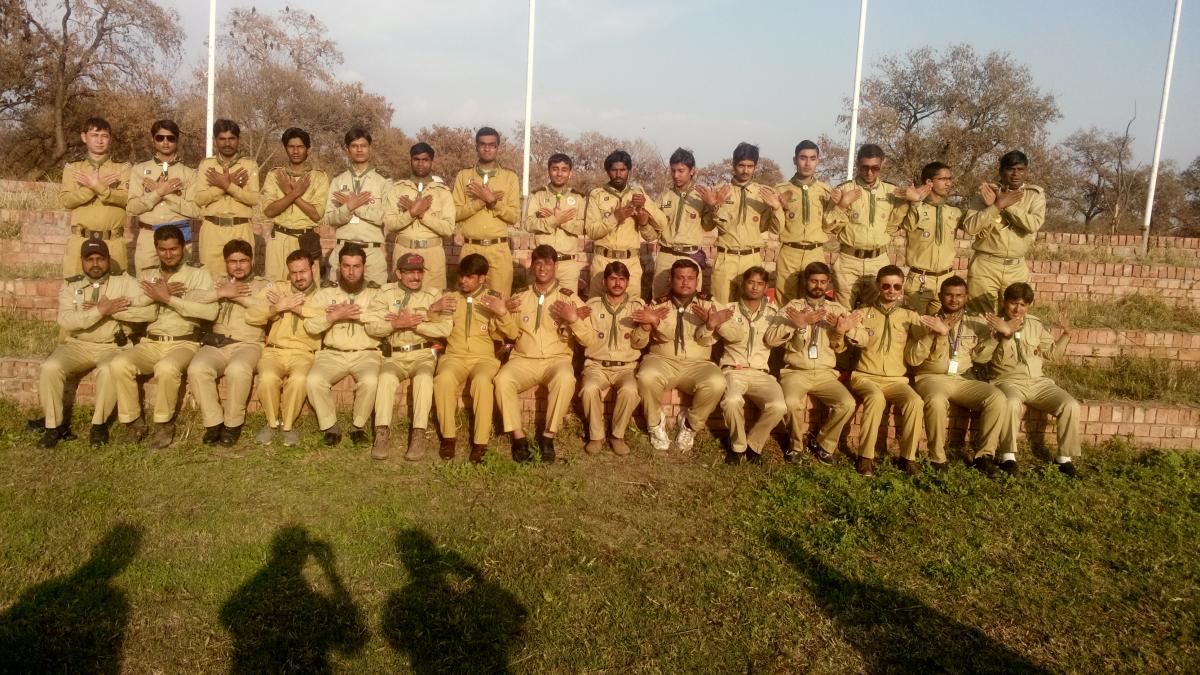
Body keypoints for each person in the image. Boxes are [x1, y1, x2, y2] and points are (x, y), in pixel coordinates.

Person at [94, 225, 217, 449]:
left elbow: (209, 312)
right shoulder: (148, 275)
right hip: (151, 341)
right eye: (163, 249)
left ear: (183, 247)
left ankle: (164, 424)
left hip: (184, 341)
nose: (169, 254)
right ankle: (133, 422)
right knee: (120, 363)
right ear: (156, 249)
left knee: (167, 368)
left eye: (174, 249)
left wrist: (170, 300)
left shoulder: (198, 273)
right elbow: (138, 309)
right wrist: (160, 295)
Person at [39, 240, 150, 448]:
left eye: (100, 259)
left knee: (108, 370)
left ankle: (98, 426)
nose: (95, 264)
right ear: (82, 261)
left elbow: (147, 312)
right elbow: (66, 320)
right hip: (78, 345)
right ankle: (53, 427)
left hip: (113, 345)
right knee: (49, 367)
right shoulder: (71, 286)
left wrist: (114, 310)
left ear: (108, 260)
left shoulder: (125, 282)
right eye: (90, 260)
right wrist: (99, 311)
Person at [495, 245, 594, 463]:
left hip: (556, 360)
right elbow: (510, 333)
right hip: (524, 359)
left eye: (547, 263)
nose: (542, 268)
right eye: (538, 263)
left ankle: (548, 437)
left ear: (555, 266)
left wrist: (573, 319)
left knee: (566, 379)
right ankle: (519, 438)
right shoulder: (520, 296)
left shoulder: (569, 298)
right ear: (532, 266)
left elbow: (588, 339)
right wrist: (505, 313)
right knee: (502, 380)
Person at [981, 282, 1080, 477]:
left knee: (1071, 405)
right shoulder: (993, 322)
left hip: (1038, 382)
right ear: (1004, 302)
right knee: (1010, 403)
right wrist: (1002, 334)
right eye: (1013, 303)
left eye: (1023, 305)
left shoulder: (1034, 324)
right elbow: (983, 356)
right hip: (1007, 380)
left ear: (1029, 306)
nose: (1018, 309)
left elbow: (1052, 354)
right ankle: (1008, 456)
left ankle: (1064, 459)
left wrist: (1066, 335)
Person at [763, 262, 857, 465]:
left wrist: (840, 332)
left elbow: (839, 348)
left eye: (823, 282)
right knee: (790, 402)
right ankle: (795, 445)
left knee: (847, 403)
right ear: (806, 281)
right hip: (796, 372)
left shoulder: (836, 309)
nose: (818, 286)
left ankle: (823, 444)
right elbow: (771, 339)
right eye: (814, 281)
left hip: (825, 373)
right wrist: (797, 325)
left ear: (828, 284)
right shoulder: (792, 307)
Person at [431, 254, 519, 463]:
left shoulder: (493, 298)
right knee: (443, 379)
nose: (463, 281)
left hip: (484, 358)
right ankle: (448, 438)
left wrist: (502, 313)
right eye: (462, 276)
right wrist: (433, 309)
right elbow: (434, 326)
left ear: (482, 278)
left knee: (482, 382)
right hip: (455, 356)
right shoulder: (451, 297)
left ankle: (480, 443)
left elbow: (512, 333)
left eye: (470, 277)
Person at [632, 258, 727, 452]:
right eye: (680, 278)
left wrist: (711, 324)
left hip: (698, 363)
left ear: (697, 280)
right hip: (662, 361)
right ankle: (655, 424)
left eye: (690, 278)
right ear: (671, 279)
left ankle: (690, 425)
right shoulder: (658, 304)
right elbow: (637, 342)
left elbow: (713, 339)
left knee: (717, 382)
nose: (685, 282)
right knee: (646, 376)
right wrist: (647, 324)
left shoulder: (708, 304)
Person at [910, 276, 1004, 471]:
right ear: (940, 296)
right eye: (949, 295)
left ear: (966, 297)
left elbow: (981, 357)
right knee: (936, 400)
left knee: (996, 397)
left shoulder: (974, 322)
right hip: (932, 377)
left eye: (959, 296)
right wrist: (934, 333)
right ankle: (937, 458)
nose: (954, 300)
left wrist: (997, 337)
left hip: (961, 378)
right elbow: (914, 358)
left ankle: (984, 456)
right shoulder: (925, 320)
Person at [365, 253, 453, 461]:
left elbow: (445, 328)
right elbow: (372, 326)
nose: (415, 276)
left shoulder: (433, 295)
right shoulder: (385, 293)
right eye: (409, 272)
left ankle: (419, 434)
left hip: (422, 353)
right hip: (394, 355)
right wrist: (394, 325)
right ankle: (382, 433)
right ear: (398, 273)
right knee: (385, 378)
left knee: (424, 378)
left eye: (419, 271)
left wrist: (415, 324)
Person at [843, 265, 927, 477]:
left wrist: (933, 333)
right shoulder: (863, 313)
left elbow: (921, 344)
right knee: (876, 398)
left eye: (896, 286)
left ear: (902, 289)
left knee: (915, 401)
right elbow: (856, 339)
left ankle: (908, 458)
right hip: (865, 376)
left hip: (896, 380)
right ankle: (866, 458)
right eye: (886, 285)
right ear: (878, 287)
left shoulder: (909, 316)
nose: (891, 290)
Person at [187, 239, 271, 447]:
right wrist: (220, 293)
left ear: (251, 261)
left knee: (238, 368)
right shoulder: (218, 281)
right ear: (225, 263)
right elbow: (190, 297)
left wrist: (239, 297)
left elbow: (268, 309)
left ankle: (233, 424)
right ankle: (213, 422)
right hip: (217, 344)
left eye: (243, 261)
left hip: (248, 344)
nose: (238, 266)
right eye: (232, 261)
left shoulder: (263, 284)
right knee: (197, 368)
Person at [303, 244, 383, 447]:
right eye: (346, 266)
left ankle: (358, 427)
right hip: (332, 354)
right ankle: (330, 426)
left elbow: (383, 320)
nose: (351, 271)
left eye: (356, 266)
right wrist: (333, 316)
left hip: (366, 353)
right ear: (339, 266)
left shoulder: (376, 293)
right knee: (314, 380)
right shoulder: (325, 293)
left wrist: (357, 314)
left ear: (364, 267)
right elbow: (310, 325)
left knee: (371, 380)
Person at [710, 267, 787, 464]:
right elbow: (710, 339)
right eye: (751, 282)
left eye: (760, 284)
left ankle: (754, 445)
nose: (755, 287)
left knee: (778, 406)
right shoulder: (729, 310)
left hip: (761, 372)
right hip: (733, 370)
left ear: (766, 287)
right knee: (732, 401)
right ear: (743, 284)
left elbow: (777, 341)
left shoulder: (773, 313)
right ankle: (738, 447)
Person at [246, 250, 322, 446]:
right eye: (294, 273)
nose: (299, 277)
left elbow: (323, 317)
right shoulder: (278, 290)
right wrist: (277, 307)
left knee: (299, 380)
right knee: (267, 378)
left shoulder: (323, 294)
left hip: (304, 353)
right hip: (274, 349)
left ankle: (288, 426)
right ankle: (272, 423)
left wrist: (295, 308)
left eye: (303, 271)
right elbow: (252, 315)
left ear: (313, 268)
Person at [696, 142, 785, 303]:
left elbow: (776, 229)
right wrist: (715, 205)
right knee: (720, 307)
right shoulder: (720, 190)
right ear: (733, 165)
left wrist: (777, 208)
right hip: (726, 258)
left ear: (755, 166)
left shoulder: (763, 193)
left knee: (750, 308)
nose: (745, 170)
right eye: (741, 165)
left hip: (751, 258)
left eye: (750, 166)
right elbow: (707, 226)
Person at [963, 150, 1046, 315]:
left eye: (1020, 169)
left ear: (1026, 171)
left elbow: (1033, 224)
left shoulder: (1034, 195)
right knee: (979, 317)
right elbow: (970, 227)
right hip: (986, 265)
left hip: (1016, 267)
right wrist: (995, 207)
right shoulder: (986, 194)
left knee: (1015, 317)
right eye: (1010, 169)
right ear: (1001, 171)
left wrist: (1006, 204)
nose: (1016, 174)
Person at [824, 144, 905, 309]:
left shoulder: (892, 192)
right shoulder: (844, 189)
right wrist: (843, 203)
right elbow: (827, 225)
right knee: (842, 312)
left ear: (882, 165)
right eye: (864, 167)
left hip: (878, 261)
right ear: (857, 165)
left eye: (875, 168)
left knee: (875, 312)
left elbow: (897, 222)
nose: (869, 172)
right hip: (849, 260)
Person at [579, 261, 645, 456]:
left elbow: (639, 344)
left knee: (630, 390)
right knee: (589, 388)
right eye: (613, 279)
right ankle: (596, 436)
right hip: (597, 365)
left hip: (626, 367)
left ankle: (617, 435)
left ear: (628, 282)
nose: (617, 283)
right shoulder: (592, 306)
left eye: (622, 279)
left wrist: (645, 328)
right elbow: (585, 339)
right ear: (605, 281)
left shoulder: (636, 307)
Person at [583, 149, 663, 297]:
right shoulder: (597, 195)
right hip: (603, 261)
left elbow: (654, 234)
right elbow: (591, 231)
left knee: (631, 311)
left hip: (630, 262)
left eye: (623, 170)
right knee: (597, 307)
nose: (618, 174)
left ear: (629, 170)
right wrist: (615, 218)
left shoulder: (638, 194)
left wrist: (644, 222)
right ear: (608, 171)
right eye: (614, 170)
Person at [452, 127, 520, 297]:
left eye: (492, 145)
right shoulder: (463, 175)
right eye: (482, 144)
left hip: (498, 249)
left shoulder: (509, 177)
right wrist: (480, 202)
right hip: (470, 247)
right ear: (476, 146)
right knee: (467, 300)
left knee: (499, 300)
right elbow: (455, 214)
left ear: (498, 147)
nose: (487, 148)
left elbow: (513, 217)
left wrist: (493, 202)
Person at [60, 117, 131, 277]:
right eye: (95, 135)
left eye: (104, 136)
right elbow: (67, 201)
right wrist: (93, 188)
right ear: (84, 137)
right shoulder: (73, 168)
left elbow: (127, 199)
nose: (100, 140)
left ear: (110, 139)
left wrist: (97, 187)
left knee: (114, 293)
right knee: (77, 294)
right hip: (80, 241)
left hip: (112, 242)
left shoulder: (122, 168)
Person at [126, 119, 199, 273]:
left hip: (179, 238)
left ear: (177, 141)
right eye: (160, 138)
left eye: (170, 138)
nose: (165, 142)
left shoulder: (189, 173)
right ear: (153, 140)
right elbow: (132, 208)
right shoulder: (139, 170)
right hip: (148, 238)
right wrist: (158, 193)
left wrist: (165, 193)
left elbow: (195, 211)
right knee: (146, 287)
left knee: (181, 285)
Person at [385, 142, 455, 290]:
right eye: (416, 159)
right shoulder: (398, 189)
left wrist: (422, 214)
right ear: (410, 160)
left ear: (432, 162)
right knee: (401, 302)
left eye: (425, 160)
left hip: (432, 254)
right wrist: (411, 213)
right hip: (404, 250)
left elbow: (448, 229)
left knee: (433, 302)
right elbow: (390, 224)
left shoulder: (442, 192)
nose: (420, 164)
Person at [262, 127, 330, 281]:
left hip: (305, 240)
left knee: (307, 290)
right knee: (275, 288)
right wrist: (293, 193)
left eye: (300, 147)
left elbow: (316, 214)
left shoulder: (319, 177)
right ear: (286, 149)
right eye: (291, 147)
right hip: (278, 238)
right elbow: (269, 211)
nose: (295, 151)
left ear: (308, 150)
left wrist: (293, 194)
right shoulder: (275, 175)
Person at [895, 161, 964, 312]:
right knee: (914, 327)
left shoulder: (954, 212)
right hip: (920, 280)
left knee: (944, 329)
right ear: (929, 182)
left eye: (949, 179)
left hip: (947, 279)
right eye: (943, 179)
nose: (948, 183)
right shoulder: (915, 207)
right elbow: (907, 225)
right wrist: (915, 201)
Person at [327, 128, 392, 285]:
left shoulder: (383, 181)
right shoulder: (338, 180)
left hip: (372, 252)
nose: (359, 149)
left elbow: (386, 218)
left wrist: (356, 207)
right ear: (347, 149)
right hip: (343, 250)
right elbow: (330, 218)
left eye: (363, 145)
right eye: (354, 146)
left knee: (375, 302)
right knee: (337, 299)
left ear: (370, 148)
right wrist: (346, 208)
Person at [772, 140, 833, 305]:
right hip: (790, 252)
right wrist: (777, 207)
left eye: (812, 158)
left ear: (818, 160)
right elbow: (776, 227)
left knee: (814, 299)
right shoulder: (781, 189)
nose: (807, 163)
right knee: (784, 300)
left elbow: (829, 226)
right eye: (803, 158)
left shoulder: (825, 191)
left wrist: (839, 205)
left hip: (815, 251)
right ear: (795, 160)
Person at [195, 119, 259, 274]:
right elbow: (199, 199)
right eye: (222, 139)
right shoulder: (206, 165)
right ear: (215, 140)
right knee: (210, 279)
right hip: (212, 229)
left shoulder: (249, 166)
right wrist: (224, 186)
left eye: (231, 139)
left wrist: (228, 186)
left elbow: (253, 199)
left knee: (241, 279)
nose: (227, 143)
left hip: (240, 228)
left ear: (238, 140)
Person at [651, 148, 712, 298]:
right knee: (659, 299)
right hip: (666, 254)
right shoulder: (665, 197)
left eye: (681, 170)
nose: (676, 175)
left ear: (692, 171)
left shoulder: (701, 197)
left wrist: (712, 206)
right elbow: (654, 224)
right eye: (673, 171)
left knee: (691, 303)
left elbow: (708, 226)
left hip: (690, 255)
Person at [522, 153, 587, 293]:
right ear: (548, 171)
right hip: (542, 263)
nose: (559, 173)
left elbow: (584, 227)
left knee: (567, 306)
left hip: (567, 264)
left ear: (570, 173)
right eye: (555, 169)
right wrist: (553, 220)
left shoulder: (578, 197)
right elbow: (528, 224)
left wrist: (561, 221)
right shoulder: (538, 195)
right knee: (538, 305)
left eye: (564, 170)